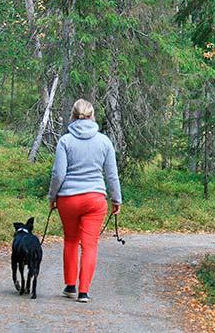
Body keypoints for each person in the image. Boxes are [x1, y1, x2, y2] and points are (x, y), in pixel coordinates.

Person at [48, 99, 122, 303]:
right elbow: (112, 175)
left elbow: (58, 174)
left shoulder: (65, 141)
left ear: (73, 115)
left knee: (71, 240)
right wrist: (117, 199)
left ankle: (70, 286)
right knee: (90, 246)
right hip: (95, 199)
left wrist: (52, 196)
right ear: (92, 116)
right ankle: (84, 292)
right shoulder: (104, 141)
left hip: (68, 199)